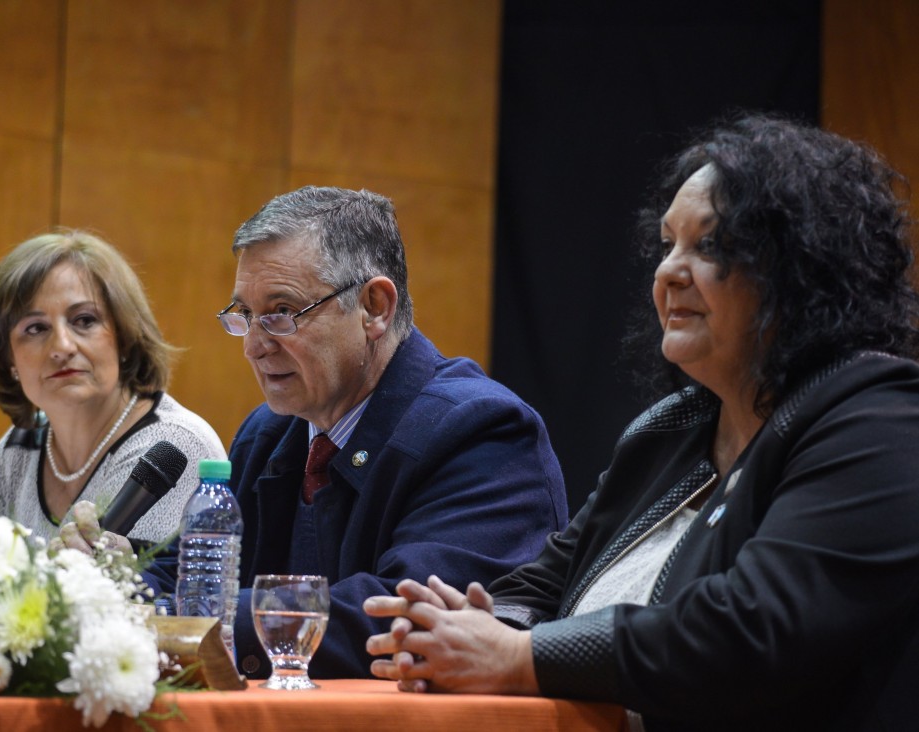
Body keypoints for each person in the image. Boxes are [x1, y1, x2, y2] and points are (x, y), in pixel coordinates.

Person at [364, 114, 919, 731]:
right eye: (667, 244)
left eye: (711, 246)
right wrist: (475, 624)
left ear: (804, 270)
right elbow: (540, 587)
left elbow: (753, 628)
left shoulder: (880, 420)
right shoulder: (669, 432)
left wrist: (518, 656)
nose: (669, 272)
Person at [219, 186, 568, 679]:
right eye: (245, 315)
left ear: (375, 307)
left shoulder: (484, 433)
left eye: (281, 312)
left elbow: (398, 615)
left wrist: (209, 621)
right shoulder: (268, 434)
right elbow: (192, 572)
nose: (254, 345)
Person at [0, 230, 226, 591]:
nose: (61, 346)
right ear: (8, 359)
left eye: (84, 321)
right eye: (36, 328)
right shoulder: (19, 447)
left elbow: (136, 602)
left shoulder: (173, 445)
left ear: (123, 336)